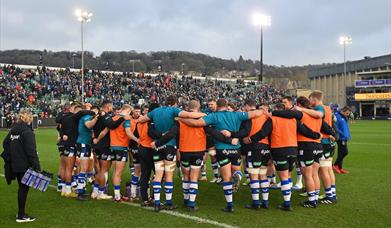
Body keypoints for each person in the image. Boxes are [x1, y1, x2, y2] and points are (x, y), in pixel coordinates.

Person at [178, 98, 264, 212]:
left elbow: (196, 123)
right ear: (227, 104)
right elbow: (257, 113)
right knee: (235, 171)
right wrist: (262, 111)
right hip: (236, 148)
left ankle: (229, 205)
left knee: (226, 178)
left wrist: (181, 119)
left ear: (217, 106)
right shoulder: (237, 114)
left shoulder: (214, 116)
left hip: (222, 149)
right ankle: (238, 175)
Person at [137, 95, 206, 212]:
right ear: (175, 103)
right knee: (168, 175)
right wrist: (203, 115)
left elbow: (141, 120)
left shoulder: (156, 111)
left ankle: (157, 203)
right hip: (169, 146)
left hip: (157, 147)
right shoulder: (174, 110)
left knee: (158, 174)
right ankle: (168, 203)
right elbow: (189, 115)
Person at [2, 109, 41, 223]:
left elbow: (5, 144)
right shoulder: (28, 132)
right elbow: (31, 151)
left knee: (22, 187)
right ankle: (21, 215)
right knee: (24, 188)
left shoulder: (13, 130)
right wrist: (37, 166)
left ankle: (21, 213)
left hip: (14, 163)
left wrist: (15, 152)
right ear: (29, 118)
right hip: (24, 165)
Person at [334, 106, 352, 174]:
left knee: (340, 153)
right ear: (343, 111)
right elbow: (335, 127)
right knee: (345, 152)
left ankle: (340, 168)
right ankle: (335, 165)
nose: (348, 115)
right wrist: (343, 135)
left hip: (344, 137)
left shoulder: (343, 117)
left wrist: (348, 135)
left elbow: (344, 127)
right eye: (347, 113)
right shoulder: (337, 116)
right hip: (341, 138)